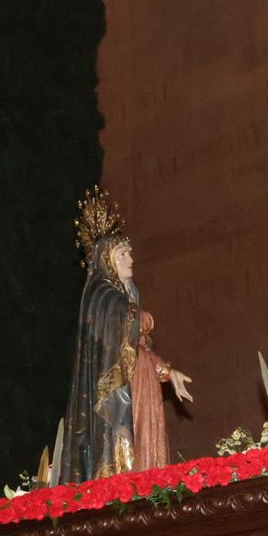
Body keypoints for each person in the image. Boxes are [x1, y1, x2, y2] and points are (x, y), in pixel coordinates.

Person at [60, 190, 194, 482]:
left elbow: (140, 346)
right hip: (125, 388)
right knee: (133, 446)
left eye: (129, 252)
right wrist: (135, 317)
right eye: (123, 253)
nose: (131, 258)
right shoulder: (103, 298)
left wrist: (168, 371)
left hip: (143, 378)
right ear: (108, 259)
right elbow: (119, 341)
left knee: (150, 445)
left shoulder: (125, 299)